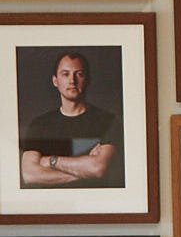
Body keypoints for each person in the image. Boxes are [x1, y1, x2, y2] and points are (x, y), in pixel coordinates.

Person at [21, 50, 121, 189]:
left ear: (87, 79)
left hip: (95, 204)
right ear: (55, 81)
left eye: (79, 74)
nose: (72, 81)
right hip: (50, 207)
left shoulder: (108, 121)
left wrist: (51, 161)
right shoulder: (39, 124)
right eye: (65, 74)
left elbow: (98, 168)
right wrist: (85, 170)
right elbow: (30, 175)